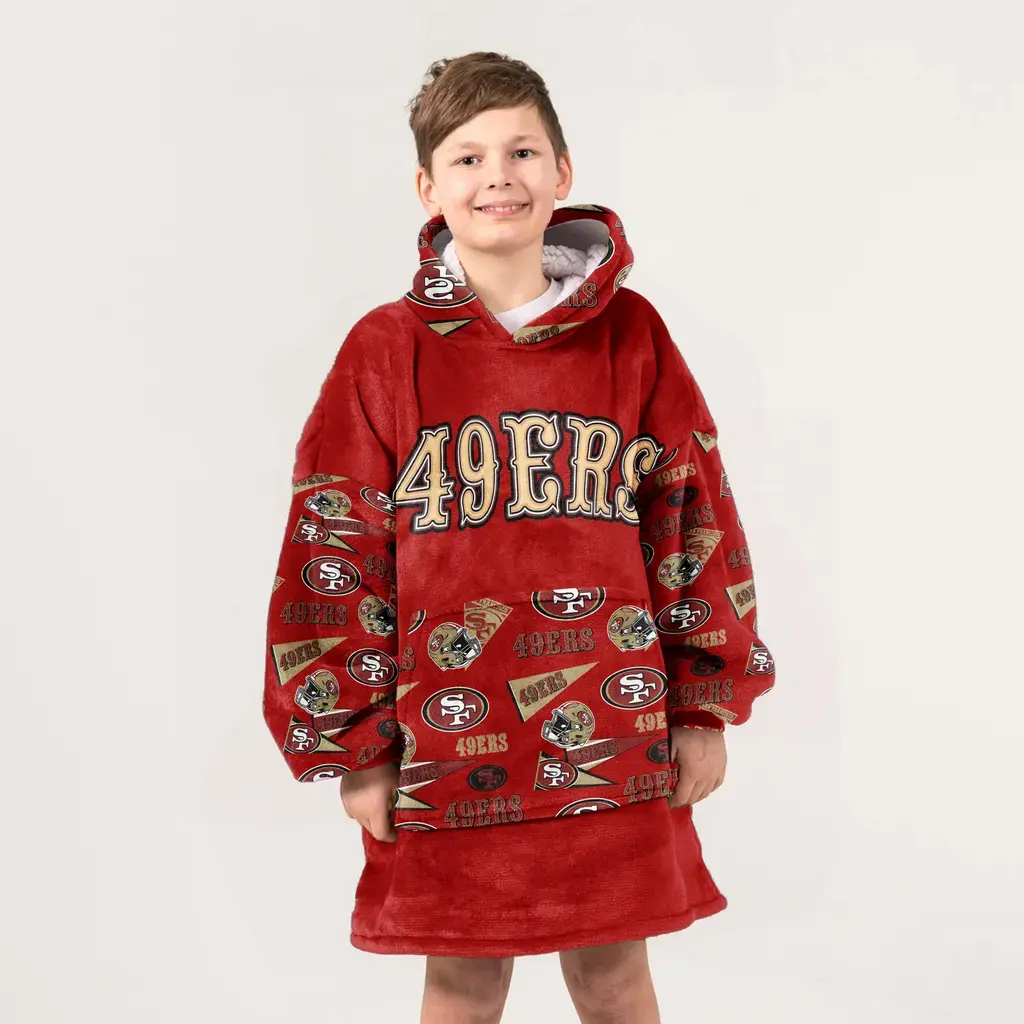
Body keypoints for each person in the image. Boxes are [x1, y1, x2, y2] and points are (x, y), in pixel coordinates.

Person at [262, 50, 777, 1024]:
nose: (497, 175)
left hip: (614, 735)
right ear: (428, 188)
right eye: (467, 158)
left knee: (613, 978)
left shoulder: (631, 337)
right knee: (463, 982)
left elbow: (690, 517)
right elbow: (332, 548)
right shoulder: (384, 351)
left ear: (563, 171)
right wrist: (358, 746)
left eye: (522, 151)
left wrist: (704, 702)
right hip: (445, 748)